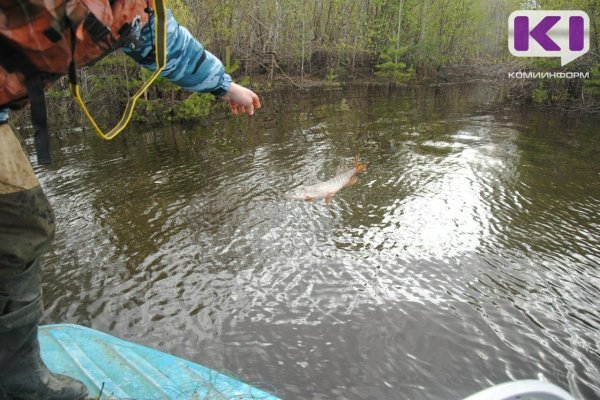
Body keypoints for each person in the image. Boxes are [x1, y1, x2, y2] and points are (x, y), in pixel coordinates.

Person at [0, 2, 260, 399]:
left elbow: (158, 38)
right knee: (19, 226)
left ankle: (16, 380)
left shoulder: (133, 7)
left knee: (21, 226)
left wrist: (224, 85)